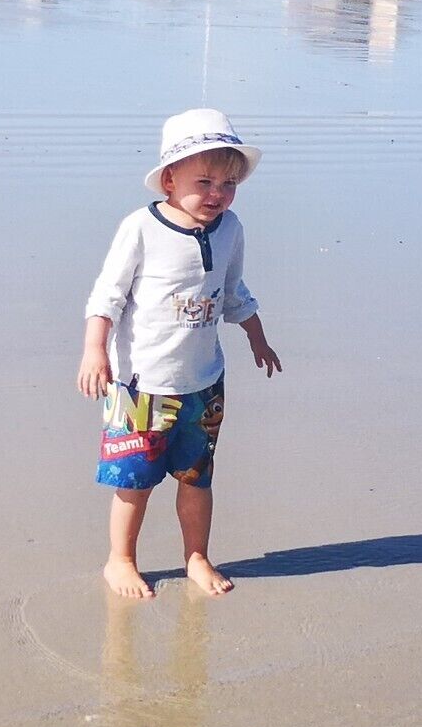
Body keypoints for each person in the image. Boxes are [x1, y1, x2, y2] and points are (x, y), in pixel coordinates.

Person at [77, 110, 283, 600]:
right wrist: (94, 350)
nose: (218, 194)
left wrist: (258, 337)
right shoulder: (140, 228)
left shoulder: (230, 229)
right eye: (204, 181)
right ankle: (120, 560)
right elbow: (107, 296)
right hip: (140, 385)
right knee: (135, 482)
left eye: (229, 183)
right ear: (169, 179)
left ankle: (197, 556)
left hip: (203, 383)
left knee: (197, 478)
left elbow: (233, 292)